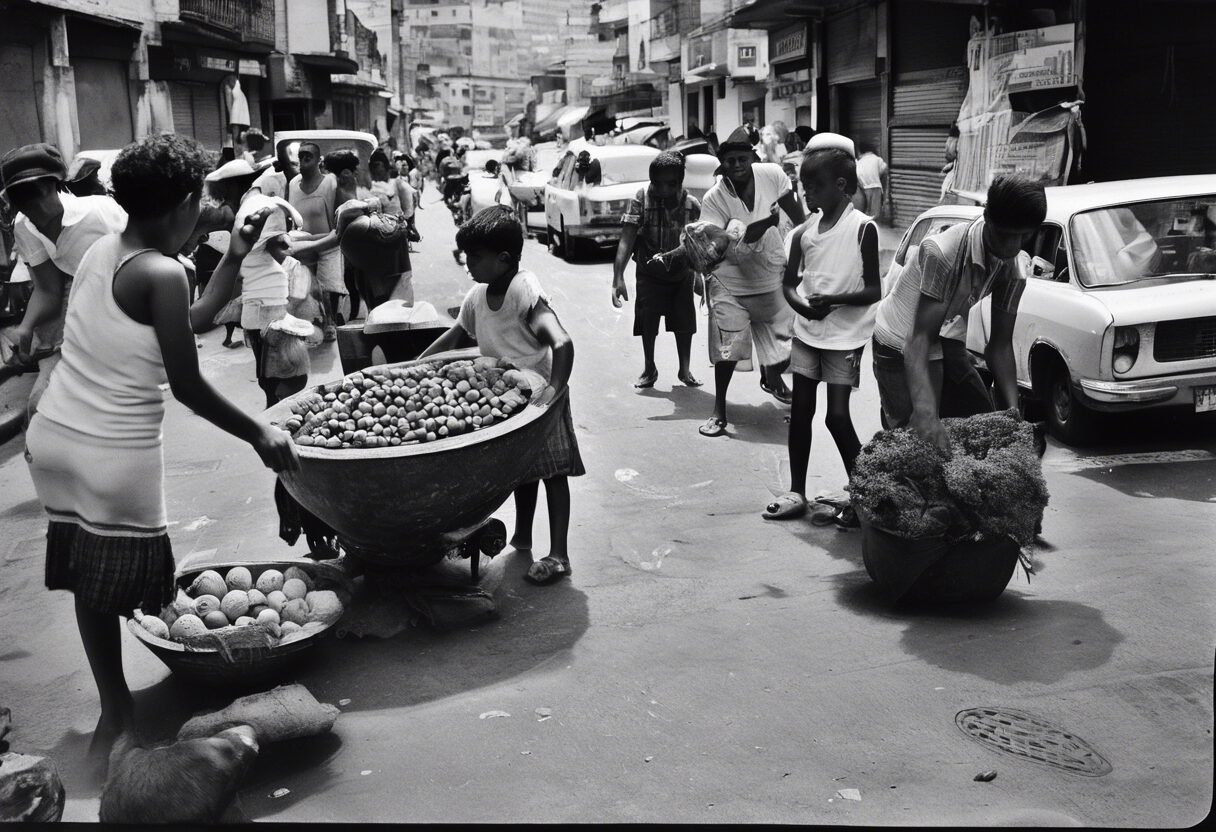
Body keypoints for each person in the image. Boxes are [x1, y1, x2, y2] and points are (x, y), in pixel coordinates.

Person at [22, 133, 298, 767]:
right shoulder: (162, 269)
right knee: (117, 578)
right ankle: (117, 723)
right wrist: (260, 431)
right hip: (108, 446)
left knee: (91, 582)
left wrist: (234, 256)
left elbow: (193, 320)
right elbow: (188, 384)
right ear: (180, 204)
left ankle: (114, 708)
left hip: (56, 436)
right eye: (198, 200)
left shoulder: (104, 253)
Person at [419, 207, 583, 585]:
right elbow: (456, 336)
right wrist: (415, 367)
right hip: (506, 400)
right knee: (523, 473)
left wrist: (555, 390)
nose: (468, 264)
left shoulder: (523, 290)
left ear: (504, 259)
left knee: (554, 472)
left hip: (542, 397)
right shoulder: (477, 296)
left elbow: (562, 341)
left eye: (474, 257)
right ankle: (522, 536)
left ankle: (560, 553)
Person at [871, 174, 1046, 453]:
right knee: (916, 443)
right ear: (987, 217)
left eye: (1024, 236)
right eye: (1005, 235)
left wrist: (1015, 417)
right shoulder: (943, 254)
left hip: (943, 337)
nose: (1013, 247)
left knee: (982, 425)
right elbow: (916, 340)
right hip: (897, 339)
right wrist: (925, 411)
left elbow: (1000, 346)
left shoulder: (1014, 269)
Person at [763, 146, 881, 525]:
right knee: (800, 412)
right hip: (807, 335)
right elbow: (789, 285)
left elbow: (873, 291)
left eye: (814, 187)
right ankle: (797, 491)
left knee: (836, 417)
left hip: (844, 338)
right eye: (804, 187)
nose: (807, 195)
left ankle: (867, 495)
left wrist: (833, 301)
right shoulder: (802, 235)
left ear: (841, 186)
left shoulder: (863, 228)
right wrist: (803, 308)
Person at [0, 143, 128, 416]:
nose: (31, 209)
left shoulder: (101, 211)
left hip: (122, 311)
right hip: (77, 316)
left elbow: (143, 261)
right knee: (42, 406)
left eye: (35, 196)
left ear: (53, 185)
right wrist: (25, 327)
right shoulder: (24, 225)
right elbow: (48, 290)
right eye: (20, 199)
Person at [695, 126, 806, 437]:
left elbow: (796, 215)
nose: (737, 166)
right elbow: (719, 241)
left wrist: (809, 239)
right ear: (722, 166)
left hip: (769, 270)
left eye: (742, 159)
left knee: (782, 339)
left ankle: (773, 379)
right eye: (730, 161)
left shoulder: (772, 174)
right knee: (728, 348)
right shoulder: (714, 198)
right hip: (730, 279)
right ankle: (719, 411)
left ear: (752, 158)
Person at [611, 151, 702, 389]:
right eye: (657, 183)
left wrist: (701, 277)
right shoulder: (641, 199)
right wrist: (617, 276)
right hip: (649, 273)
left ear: (681, 181)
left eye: (670, 184)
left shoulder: (692, 206)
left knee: (684, 324)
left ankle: (684, 369)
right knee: (647, 322)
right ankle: (649, 367)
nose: (663, 190)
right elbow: (627, 238)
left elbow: (698, 246)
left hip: (682, 275)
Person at [286, 142, 342, 340]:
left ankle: (331, 321)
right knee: (303, 285)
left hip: (328, 241)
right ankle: (307, 320)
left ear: (319, 160)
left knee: (329, 285)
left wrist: (329, 238)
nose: (302, 161)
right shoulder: (293, 184)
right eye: (300, 156)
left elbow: (339, 216)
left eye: (307, 156)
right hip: (302, 243)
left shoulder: (330, 182)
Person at [855, 142, 888, 221]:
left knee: (865, 209)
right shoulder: (877, 159)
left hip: (863, 187)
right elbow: (884, 169)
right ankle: (874, 225)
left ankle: (866, 224)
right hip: (876, 186)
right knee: (875, 211)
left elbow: (857, 174)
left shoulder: (859, 162)